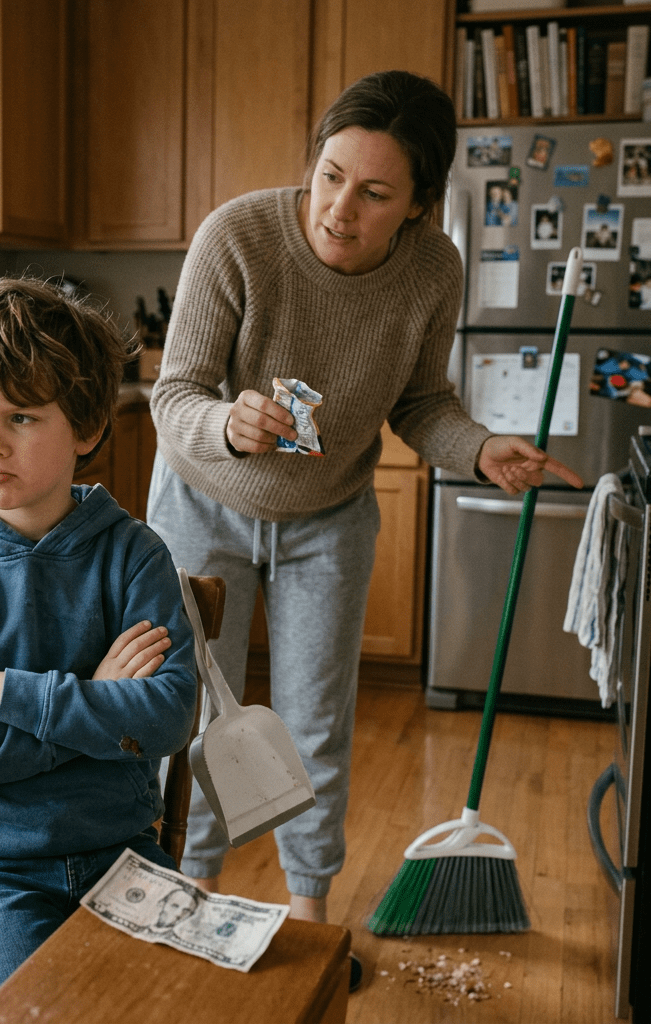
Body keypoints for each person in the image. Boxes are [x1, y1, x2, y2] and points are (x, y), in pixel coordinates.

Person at [145, 69, 582, 992]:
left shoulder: (433, 270)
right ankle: (191, 899)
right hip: (201, 503)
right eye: (330, 174)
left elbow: (423, 405)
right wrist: (225, 422)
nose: (340, 208)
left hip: (326, 517)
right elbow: (174, 394)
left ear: (419, 208)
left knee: (314, 725)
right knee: (191, 712)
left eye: (375, 192)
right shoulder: (237, 237)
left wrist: (481, 447)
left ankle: (310, 924)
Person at [0, 276, 198, 1020]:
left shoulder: (135, 556)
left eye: (20, 416)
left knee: (190, 1007)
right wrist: (92, 706)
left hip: (124, 853)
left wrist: (4, 694)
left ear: (86, 426)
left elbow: (164, 719)